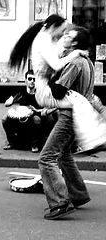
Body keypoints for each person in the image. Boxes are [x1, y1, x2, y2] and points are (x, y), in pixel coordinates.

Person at [9, 14, 106, 152]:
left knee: (80, 102)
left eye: (66, 34)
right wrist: (76, 52)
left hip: (46, 88)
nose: (63, 34)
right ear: (54, 27)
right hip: (44, 90)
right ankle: (91, 140)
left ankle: (92, 139)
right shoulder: (43, 41)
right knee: (80, 101)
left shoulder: (49, 39)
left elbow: (59, 52)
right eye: (62, 30)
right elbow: (56, 65)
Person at [37, 26, 94, 220]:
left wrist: (47, 77)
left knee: (46, 158)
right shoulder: (87, 61)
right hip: (78, 113)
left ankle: (60, 202)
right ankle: (78, 194)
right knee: (64, 155)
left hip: (70, 116)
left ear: (76, 43)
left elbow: (59, 91)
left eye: (70, 35)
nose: (65, 36)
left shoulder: (75, 62)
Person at [2, 70, 57, 152]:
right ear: (25, 80)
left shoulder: (41, 93)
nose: (32, 81)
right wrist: (13, 100)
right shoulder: (20, 91)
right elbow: (7, 103)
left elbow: (49, 108)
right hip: (22, 116)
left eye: (34, 79)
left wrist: (37, 110)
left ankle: (34, 144)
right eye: (30, 79)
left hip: (37, 116)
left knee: (36, 120)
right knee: (4, 119)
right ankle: (11, 142)